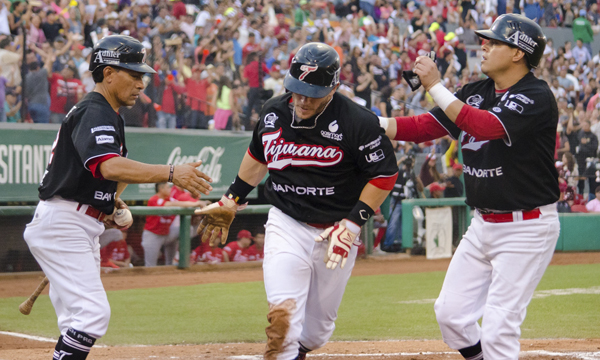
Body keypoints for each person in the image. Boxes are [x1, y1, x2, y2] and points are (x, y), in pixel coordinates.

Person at [195, 43, 398, 360]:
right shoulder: (275, 111)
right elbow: (257, 157)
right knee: (284, 318)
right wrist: (231, 199)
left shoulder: (358, 121)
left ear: (334, 88)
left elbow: (384, 175)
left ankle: (297, 351)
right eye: (296, 90)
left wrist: (353, 222)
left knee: (316, 333)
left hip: (337, 232)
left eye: (312, 93)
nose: (301, 100)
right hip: (286, 223)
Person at [378, 14, 560, 359]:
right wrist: (367, 122)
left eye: (495, 42)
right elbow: (421, 127)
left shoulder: (536, 95)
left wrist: (434, 85)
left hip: (527, 226)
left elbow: (486, 126)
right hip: (482, 224)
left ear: (518, 53)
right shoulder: (475, 91)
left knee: (498, 326)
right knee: (451, 315)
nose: (485, 46)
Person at [22, 35, 213, 360]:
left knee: (74, 321)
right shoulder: (95, 111)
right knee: (93, 315)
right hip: (65, 222)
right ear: (108, 73)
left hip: (76, 220)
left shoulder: (106, 113)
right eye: (134, 74)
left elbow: (104, 174)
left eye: (142, 76)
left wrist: (110, 203)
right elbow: (109, 166)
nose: (141, 83)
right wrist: (170, 172)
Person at [142, 182, 203, 267]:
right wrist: (195, 203)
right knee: (150, 266)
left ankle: (179, 254)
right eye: (168, 187)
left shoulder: (169, 199)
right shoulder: (154, 199)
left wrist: (198, 202)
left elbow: (182, 203)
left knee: (188, 228)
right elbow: (171, 204)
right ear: (161, 189)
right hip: (153, 235)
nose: (170, 189)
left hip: (167, 234)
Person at [381, 154, 421, 253]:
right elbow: (390, 170)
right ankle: (388, 244)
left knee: (404, 224)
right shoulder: (399, 172)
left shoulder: (411, 174)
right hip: (396, 200)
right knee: (393, 223)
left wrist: (416, 177)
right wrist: (401, 160)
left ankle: (401, 244)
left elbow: (419, 188)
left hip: (407, 202)